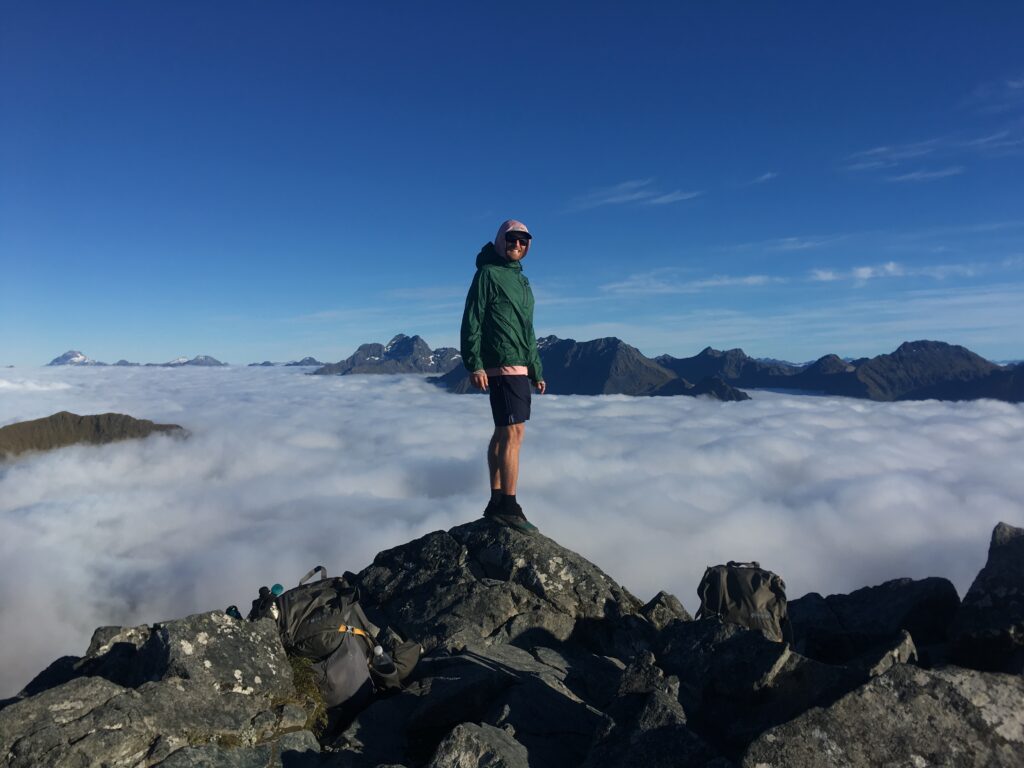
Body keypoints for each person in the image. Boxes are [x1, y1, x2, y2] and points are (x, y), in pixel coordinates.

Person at [461, 219, 546, 534]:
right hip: (501, 364)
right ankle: (509, 505)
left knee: (502, 432)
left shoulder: (522, 281)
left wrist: (535, 369)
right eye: (512, 239)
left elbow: (527, 329)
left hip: (519, 365)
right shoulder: (488, 274)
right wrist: (475, 363)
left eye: (524, 241)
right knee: (514, 433)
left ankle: (497, 500)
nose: (518, 245)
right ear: (500, 240)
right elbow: (473, 319)